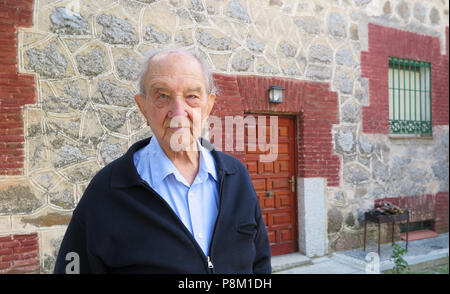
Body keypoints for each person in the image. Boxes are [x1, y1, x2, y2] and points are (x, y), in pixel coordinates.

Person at [53, 48, 271, 274]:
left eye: (192, 97)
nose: (178, 112)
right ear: (143, 107)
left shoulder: (236, 176)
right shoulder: (108, 189)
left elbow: (260, 262)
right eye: (162, 96)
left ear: (208, 106)